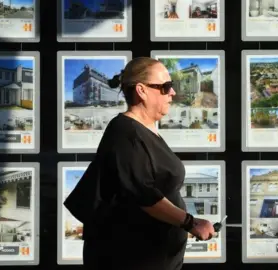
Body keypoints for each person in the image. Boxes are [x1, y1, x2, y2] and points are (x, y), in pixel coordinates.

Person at [63, 57, 216, 270]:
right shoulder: (125, 132)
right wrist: (191, 223)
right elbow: (143, 194)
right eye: (166, 87)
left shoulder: (144, 130)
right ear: (142, 91)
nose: (172, 92)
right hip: (131, 258)